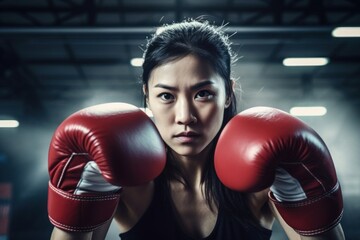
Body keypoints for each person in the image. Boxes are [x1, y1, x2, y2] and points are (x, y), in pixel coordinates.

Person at [48, 19, 345, 240]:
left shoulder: (262, 178)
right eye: (166, 96)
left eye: (202, 94)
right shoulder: (128, 178)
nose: (185, 116)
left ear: (228, 93)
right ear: (146, 96)